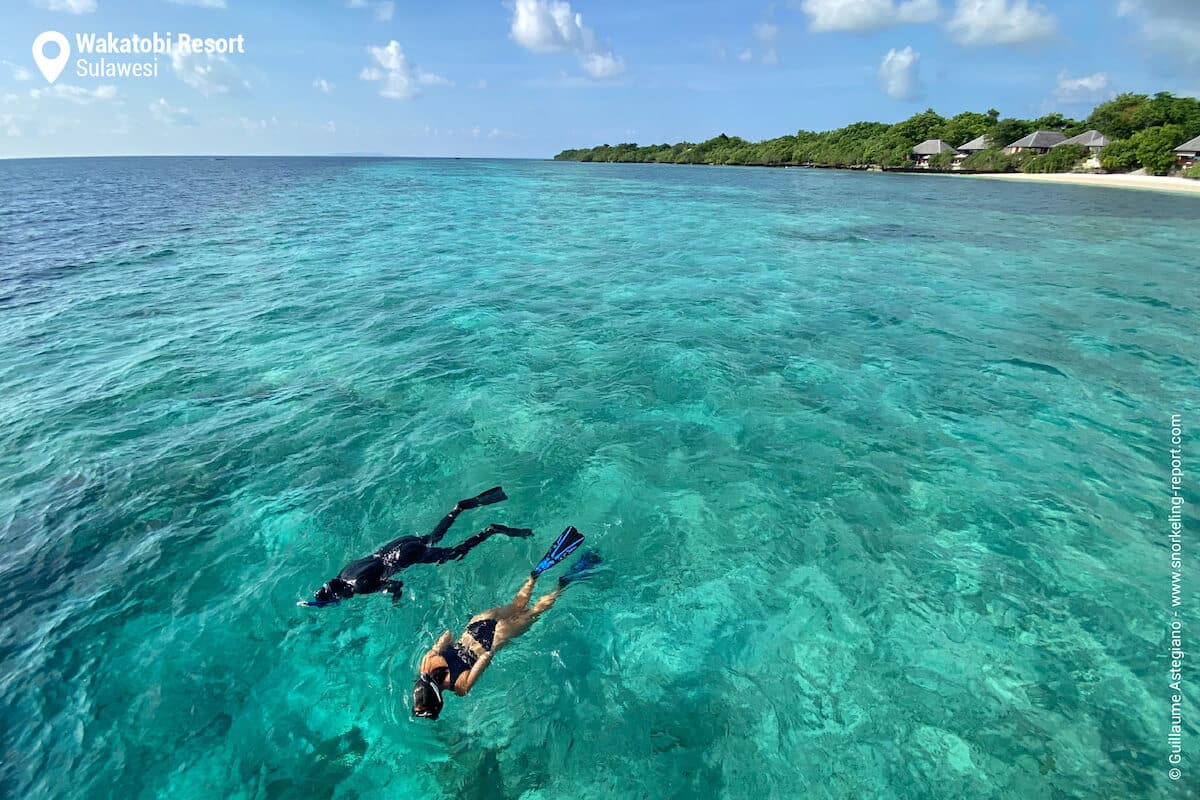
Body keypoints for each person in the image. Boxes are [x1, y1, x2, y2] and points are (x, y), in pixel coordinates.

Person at [412, 526, 601, 720]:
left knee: (536, 610)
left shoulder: (461, 687)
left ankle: (563, 584)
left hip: (492, 640)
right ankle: (534, 576)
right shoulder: (426, 663)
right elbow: (447, 636)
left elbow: (486, 657)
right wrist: (454, 647)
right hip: (476, 624)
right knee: (517, 604)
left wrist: (490, 650)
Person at [299, 486, 532, 608]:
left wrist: (394, 600)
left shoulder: (359, 587)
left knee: (454, 554)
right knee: (433, 537)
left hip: (405, 556)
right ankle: (459, 508)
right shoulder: (345, 572)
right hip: (399, 543)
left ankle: (491, 530)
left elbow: (395, 584)